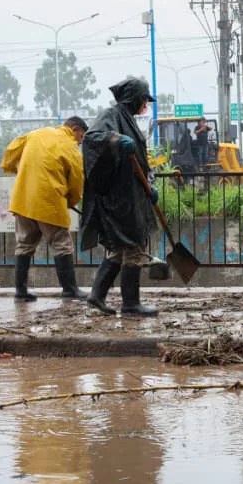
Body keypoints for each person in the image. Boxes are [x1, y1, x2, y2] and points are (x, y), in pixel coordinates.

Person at [81, 78, 160, 317]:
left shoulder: (129, 121)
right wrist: (115, 140)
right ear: (135, 98)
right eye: (144, 99)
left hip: (132, 194)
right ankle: (131, 304)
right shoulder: (112, 115)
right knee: (134, 245)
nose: (145, 104)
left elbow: (141, 161)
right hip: (120, 198)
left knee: (119, 249)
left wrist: (150, 186)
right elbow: (91, 138)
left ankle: (96, 296)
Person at [0, 116, 88, 302]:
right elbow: (76, 180)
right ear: (74, 128)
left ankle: (20, 292)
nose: (80, 142)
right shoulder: (70, 146)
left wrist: (16, 169)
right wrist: (71, 201)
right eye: (81, 137)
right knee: (61, 243)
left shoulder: (36, 134)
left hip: (23, 199)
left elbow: (11, 151)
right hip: (49, 201)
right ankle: (70, 289)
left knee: (24, 244)